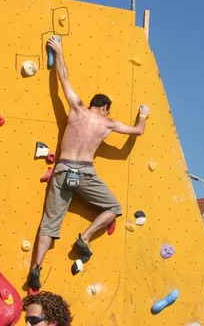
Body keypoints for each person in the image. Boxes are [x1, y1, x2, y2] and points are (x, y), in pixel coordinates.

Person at [28, 36, 151, 290]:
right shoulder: (108, 124)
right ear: (105, 107)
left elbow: (63, 78)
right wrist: (143, 115)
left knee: (49, 224)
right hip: (85, 173)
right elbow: (138, 131)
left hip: (62, 170)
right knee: (113, 208)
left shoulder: (77, 109)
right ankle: (84, 238)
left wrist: (59, 50)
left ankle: (36, 268)